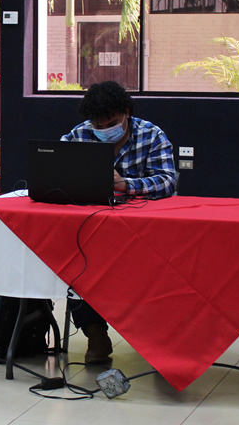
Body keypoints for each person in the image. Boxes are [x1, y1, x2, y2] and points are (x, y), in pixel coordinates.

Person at [60, 80, 177, 363]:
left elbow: (168, 182)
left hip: (143, 233)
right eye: (97, 125)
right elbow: (57, 174)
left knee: (159, 276)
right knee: (73, 267)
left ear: (126, 113)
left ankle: (157, 339)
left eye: (110, 123)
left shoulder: (151, 135)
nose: (102, 130)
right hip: (92, 230)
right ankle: (95, 334)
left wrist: (127, 185)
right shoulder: (79, 136)